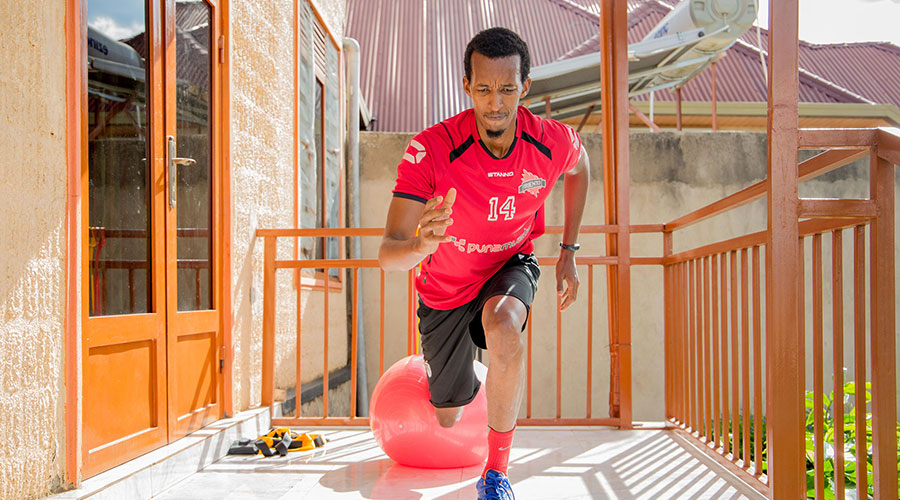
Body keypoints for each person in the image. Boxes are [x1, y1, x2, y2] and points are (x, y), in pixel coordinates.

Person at [377, 27, 590, 500]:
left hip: (510, 263)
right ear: (467, 86)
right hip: (445, 289)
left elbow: (581, 166)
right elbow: (387, 254)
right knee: (448, 414)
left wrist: (568, 252)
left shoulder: (551, 141)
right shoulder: (432, 149)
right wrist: (420, 244)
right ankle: (463, 381)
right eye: (485, 89)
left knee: (503, 325)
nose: (496, 102)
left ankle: (496, 473)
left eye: (508, 88)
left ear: (526, 86)